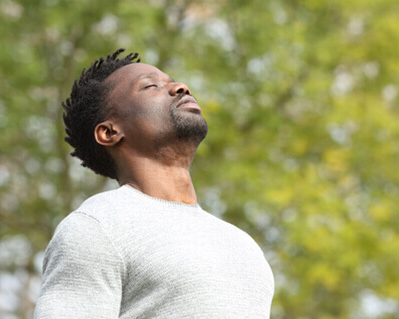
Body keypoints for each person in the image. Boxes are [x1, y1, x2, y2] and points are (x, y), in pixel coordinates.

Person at [34, 49, 274, 318]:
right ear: (110, 132)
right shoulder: (97, 226)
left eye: (173, 81)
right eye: (151, 86)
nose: (180, 87)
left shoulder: (241, 243)